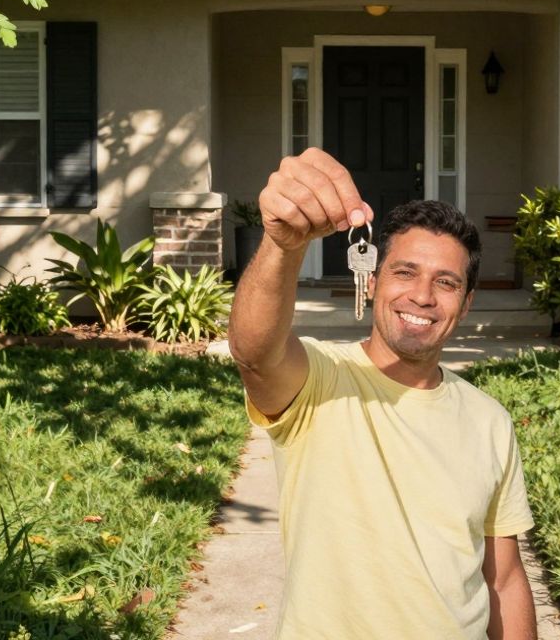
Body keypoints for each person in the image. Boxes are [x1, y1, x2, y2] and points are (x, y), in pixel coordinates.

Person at [228, 147, 538, 640]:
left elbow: (502, 580)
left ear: (467, 301)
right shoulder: (319, 382)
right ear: (371, 281)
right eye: (405, 272)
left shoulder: (489, 420)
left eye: (446, 282)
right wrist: (283, 245)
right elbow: (254, 352)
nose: (423, 296)